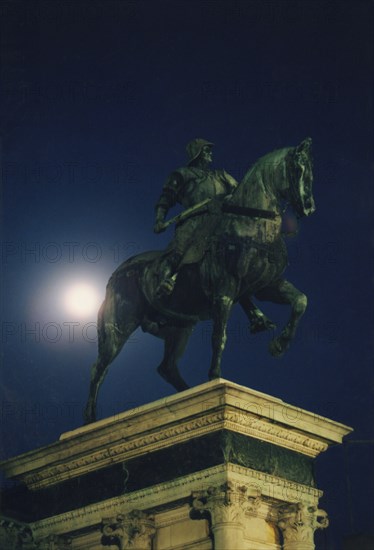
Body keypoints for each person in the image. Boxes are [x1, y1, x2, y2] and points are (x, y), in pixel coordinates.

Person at [154, 138, 237, 295]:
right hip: (193, 220)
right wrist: (159, 219)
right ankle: (165, 280)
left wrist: (232, 197)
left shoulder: (221, 176)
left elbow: (239, 193)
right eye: (206, 150)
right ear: (197, 153)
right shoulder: (183, 174)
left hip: (219, 220)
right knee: (179, 251)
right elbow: (166, 198)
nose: (210, 153)